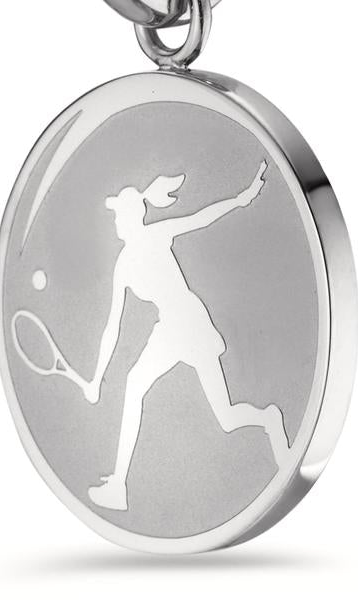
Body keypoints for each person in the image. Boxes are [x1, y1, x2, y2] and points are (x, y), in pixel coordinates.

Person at [82, 160, 290, 511]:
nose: (115, 221)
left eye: (118, 214)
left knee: (226, 418)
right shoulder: (124, 263)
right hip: (169, 328)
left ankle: (269, 418)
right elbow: (112, 326)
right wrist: (97, 378)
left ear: (132, 217)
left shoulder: (155, 235)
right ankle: (118, 485)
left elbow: (200, 218)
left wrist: (243, 198)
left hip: (189, 323)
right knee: (135, 386)